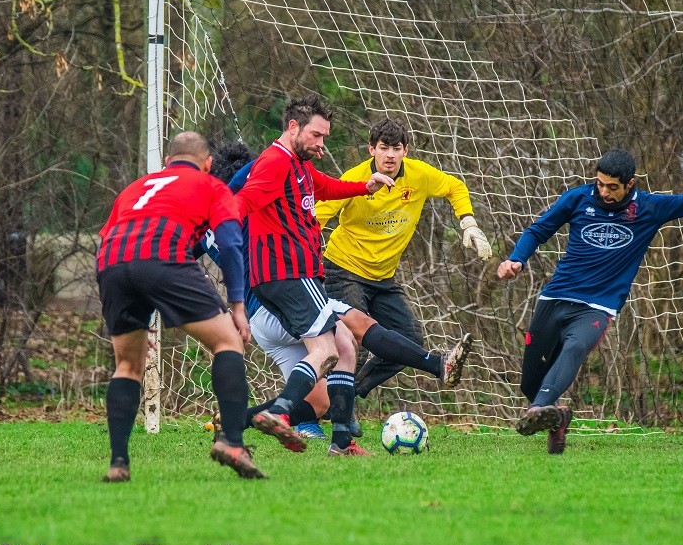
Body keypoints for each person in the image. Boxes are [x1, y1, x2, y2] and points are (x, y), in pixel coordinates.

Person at [498, 148, 683, 454]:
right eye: (600, 184)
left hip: (599, 305)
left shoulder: (649, 207)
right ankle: (556, 417)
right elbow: (538, 229)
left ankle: (541, 409)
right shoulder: (577, 199)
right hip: (556, 297)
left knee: (574, 347)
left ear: (630, 183)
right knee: (530, 385)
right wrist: (516, 259)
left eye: (613, 187)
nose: (604, 192)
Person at [203, 143, 472, 446]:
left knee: (320, 403)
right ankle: (437, 364)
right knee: (352, 326)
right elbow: (267, 172)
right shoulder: (252, 204)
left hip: (260, 320)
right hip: (280, 300)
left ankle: (236, 419)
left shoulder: (208, 225)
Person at [96, 131, 264, 481]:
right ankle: (232, 442)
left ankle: (118, 463)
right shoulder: (212, 186)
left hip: (111, 261)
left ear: (166, 163)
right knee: (227, 342)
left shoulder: (135, 187)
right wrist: (237, 305)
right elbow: (231, 243)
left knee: (127, 365)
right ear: (207, 164)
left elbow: (109, 233)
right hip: (162, 255)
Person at [234, 95, 395, 455]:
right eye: (317, 135)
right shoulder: (275, 161)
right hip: (286, 273)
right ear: (293, 127)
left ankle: (340, 441)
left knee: (343, 345)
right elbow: (243, 202)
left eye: (324, 137)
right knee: (325, 347)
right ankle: (279, 411)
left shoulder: (297, 163)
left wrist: (363, 186)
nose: (321, 144)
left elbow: (325, 187)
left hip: (292, 275)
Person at [316, 117, 486, 398]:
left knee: (409, 341)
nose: (391, 155)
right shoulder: (354, 178)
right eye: (384, 148)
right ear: (372, 149)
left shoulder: (419, 175)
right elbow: (317, 217)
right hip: (344, 269)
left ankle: (344, 397)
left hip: (383, 277)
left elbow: (454, 186)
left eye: (397, 148)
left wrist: (468, 222)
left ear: (406, 150)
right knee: (351, 340)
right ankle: (330, 406)